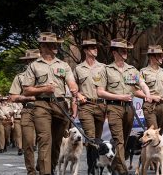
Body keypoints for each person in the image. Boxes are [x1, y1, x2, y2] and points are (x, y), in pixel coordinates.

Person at [22, 32, 80, 175]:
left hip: (60, 106)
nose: (56, 46)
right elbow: (26, 90)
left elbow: (71, 82)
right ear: (43, 46)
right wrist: (44, 89)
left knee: (56, 143)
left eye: (56, 44)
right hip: (41, 105)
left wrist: (74, 89)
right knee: (45, 140)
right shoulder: (34, 66)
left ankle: (51, 167)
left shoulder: (64, 65)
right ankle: (45, 172)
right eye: (52, 44)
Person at [96, 38, 152, 175]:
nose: (125, 52)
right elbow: (100, 92)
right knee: (118, 140)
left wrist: (147, 94)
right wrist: (119, 97)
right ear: (114, 52)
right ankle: (122, 170)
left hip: (129, 109)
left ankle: (115, 165)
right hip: (114, 108)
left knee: (125, 140)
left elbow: (142, 84)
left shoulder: (132, 70)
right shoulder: (106, 70)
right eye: (122, 50)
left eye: (126, 50)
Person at [73, 39, 106, 170]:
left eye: (96, 47)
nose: (95, 50)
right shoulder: (78, 68)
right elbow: (73, 87)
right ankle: (91, 168)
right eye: (92, 48)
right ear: (86, 50)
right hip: (85, 106)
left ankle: (95, 164)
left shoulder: (103, 67)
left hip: (100, 106)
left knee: (97, 139)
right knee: (90, 137)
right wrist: (78, 95)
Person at [9, 49, 40, 174]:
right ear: (26, 62)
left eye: (35, 60)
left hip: (47, 110)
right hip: (28, 109)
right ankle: (31, 171)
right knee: (28, 143)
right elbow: (13, 97)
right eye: (30, 60)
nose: (32, 63)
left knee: (46, 142)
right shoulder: (20, 77)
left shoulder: (46, 76)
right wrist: (29, 98)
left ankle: (42, 164)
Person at [140, 45, 163, 135]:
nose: (162, 57)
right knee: (153, 133)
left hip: (162, 105)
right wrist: (151, 96)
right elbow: (136, 90)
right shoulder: (143, 72)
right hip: (149, 106)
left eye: (162, 55)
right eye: (159, 55)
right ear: (152, 57)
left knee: (159, 134)